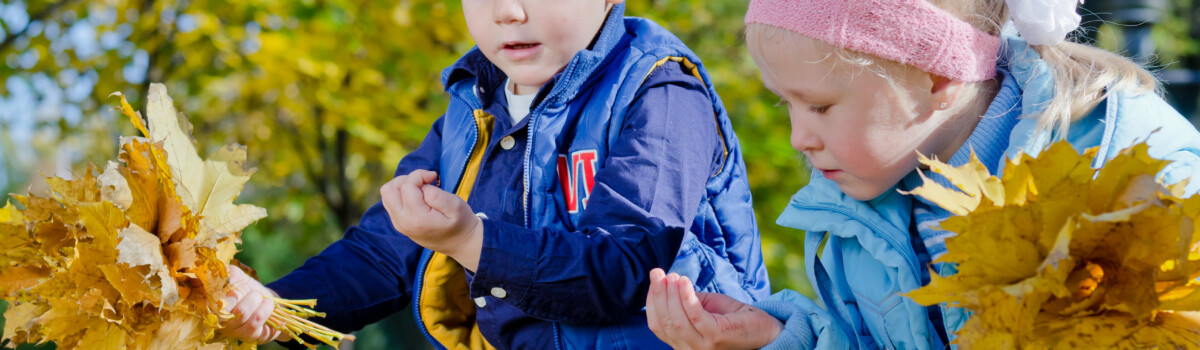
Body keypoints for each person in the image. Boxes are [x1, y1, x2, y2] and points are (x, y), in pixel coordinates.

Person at [645, 0, 1200, 349]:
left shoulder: (1128, 178)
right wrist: (777, 340)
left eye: (819, 106)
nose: (799, 138)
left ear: (936, 78)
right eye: (783, 105)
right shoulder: (863, 201)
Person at [220, 1, 771, 349]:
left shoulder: (659, 90)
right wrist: (276, 306)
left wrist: (470, 240)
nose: (507, 11)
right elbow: (386, 252)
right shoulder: (470, 107)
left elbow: (625, 265)